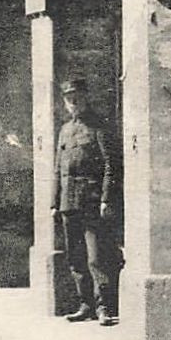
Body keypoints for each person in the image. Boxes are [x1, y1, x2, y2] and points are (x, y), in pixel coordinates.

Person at [52, 78, 120, 326]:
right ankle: (85, 305)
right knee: (76, 256)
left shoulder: (98, 127)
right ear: (65, 102)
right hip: (69, 202)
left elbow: (111, 166)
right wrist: (54, 202)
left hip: (92, 201)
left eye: (78, 97)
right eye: (69, 99)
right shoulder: (65, 130)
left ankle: (104, 306)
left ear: (86, 97)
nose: (74, 103)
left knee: (96, 257)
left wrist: (106, 199)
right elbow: (58, 169)